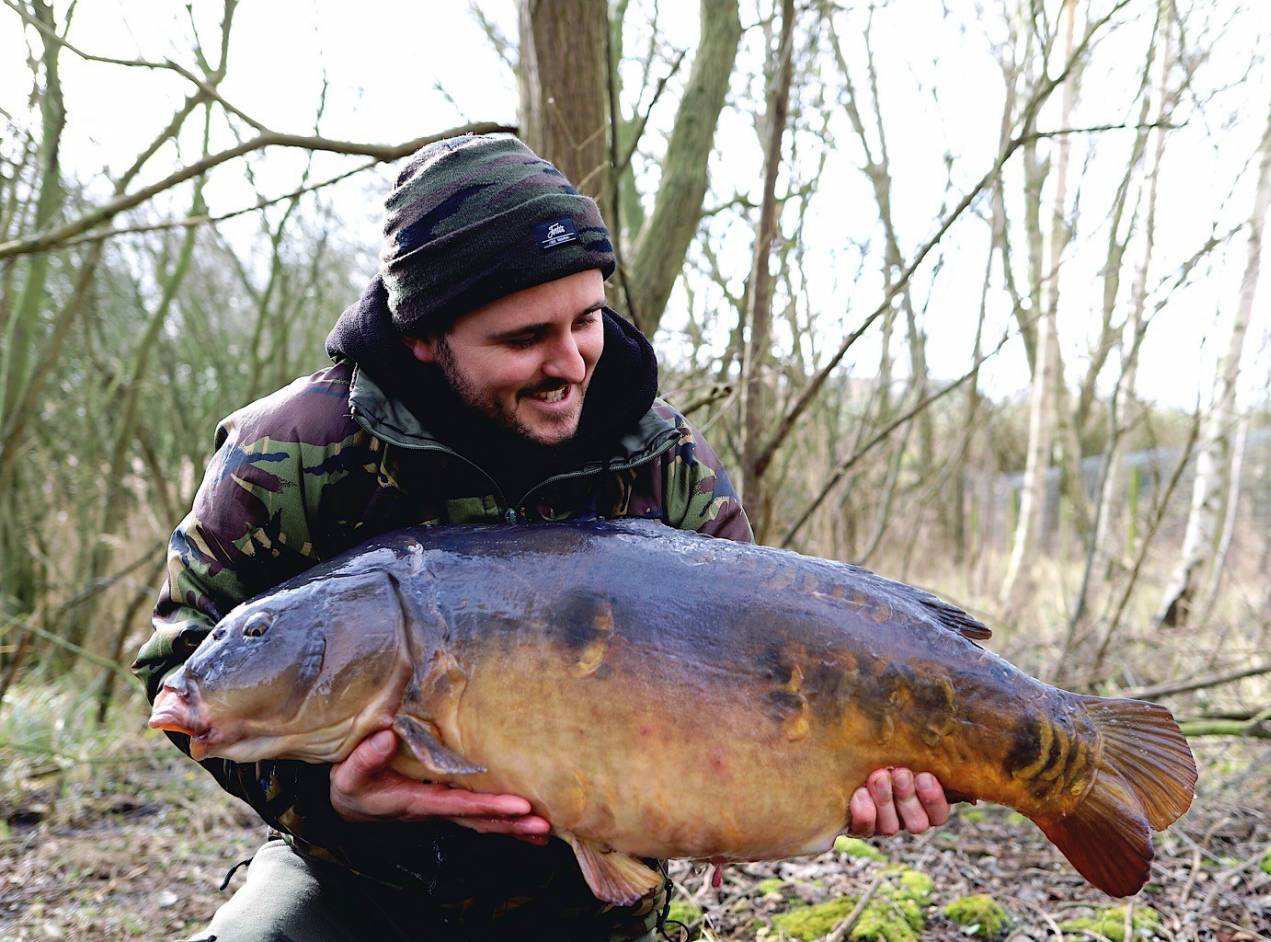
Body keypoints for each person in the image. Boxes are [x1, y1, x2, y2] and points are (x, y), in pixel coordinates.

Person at [132, 134, 951, 942]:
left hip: (588, 899)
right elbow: (185, 669)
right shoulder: (295, 450)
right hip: (354, 875)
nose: (572, 365)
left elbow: (760, 663)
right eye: (524, 339)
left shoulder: (658, 453)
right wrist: (327, 802)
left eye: (587, 320)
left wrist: (848, 771)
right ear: (424, 338)